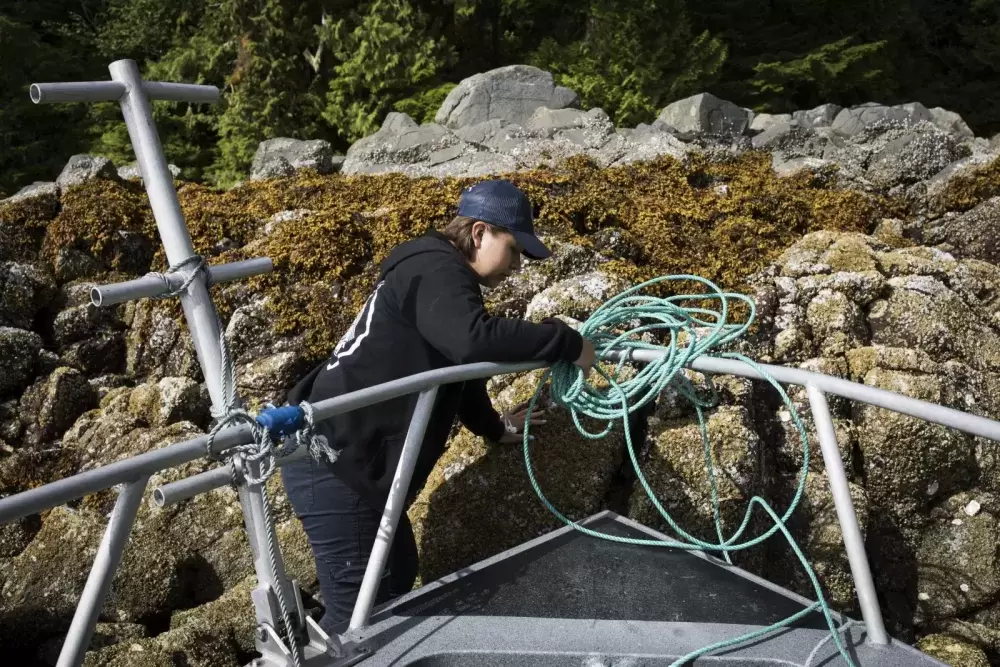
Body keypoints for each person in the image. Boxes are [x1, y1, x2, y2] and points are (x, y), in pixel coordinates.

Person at [280, 178, 597, 636]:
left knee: (394, 576)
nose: (517, 267)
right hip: (331, 461)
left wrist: (492, 426)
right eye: (514, 250)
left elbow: (455, 373)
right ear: (480, 232)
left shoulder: (436, 272)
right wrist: (567, 342)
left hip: (347, 458)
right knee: (356, 618)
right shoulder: (436, 269)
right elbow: (471, 341)